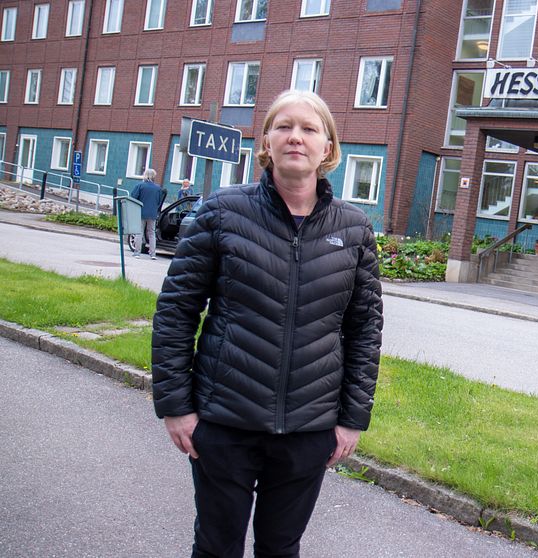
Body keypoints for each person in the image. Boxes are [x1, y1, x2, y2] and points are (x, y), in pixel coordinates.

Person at [152, 90, 383, 558]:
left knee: (281, 548)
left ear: (328, 149)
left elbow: (364, 331)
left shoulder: (354, 229)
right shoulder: (222, 212)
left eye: (309, 128)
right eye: (284, 126)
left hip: (308, 430)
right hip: (224, 422)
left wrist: (351, 420)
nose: (295, 137)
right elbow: (176, 311)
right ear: (266, 142)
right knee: (217, 546)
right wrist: (176, 405)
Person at [130, 168, 165, 260]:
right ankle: (153, 253)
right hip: (152, 213)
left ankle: (137, 252)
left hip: (141, 212)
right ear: (154, 176)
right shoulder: (158, 188)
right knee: (152, 233)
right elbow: (159, 201)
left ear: (145, 175)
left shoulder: (140, 186)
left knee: (139, 232)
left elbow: (133, 197)